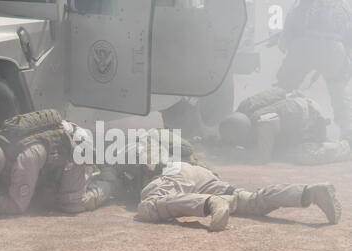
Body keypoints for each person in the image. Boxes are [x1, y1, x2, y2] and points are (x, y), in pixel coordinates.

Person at [0, 109, 115, 215]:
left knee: (72, 203)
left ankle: (110, 181)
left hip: (77, 148)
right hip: (61, 143)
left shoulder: (24, 159)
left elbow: (17, 206)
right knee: (44, 196)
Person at [135, 162, 342, 232]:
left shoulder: (130, 149)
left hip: (170, 174)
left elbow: (107, 186)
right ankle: (309, 192)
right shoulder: (169, 141)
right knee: (252, 202)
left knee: (148, 206)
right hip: (201, 173)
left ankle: (210, 202)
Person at [276, 0, 352, 140]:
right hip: (334, 47)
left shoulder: (302, 3)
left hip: (305, 44)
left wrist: (286, 39)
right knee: (339, 91)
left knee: (283, 88)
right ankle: (347, 133)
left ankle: (274, 124)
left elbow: (290, 28)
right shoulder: (343, 5)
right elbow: (348, 36)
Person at [218, 89, 351, 164]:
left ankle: (346, 146)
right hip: (295, 111)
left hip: (310, 119)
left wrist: (234, 154)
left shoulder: (264, 124)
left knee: (301, 155)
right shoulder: (242, 111)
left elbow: (263, 157)